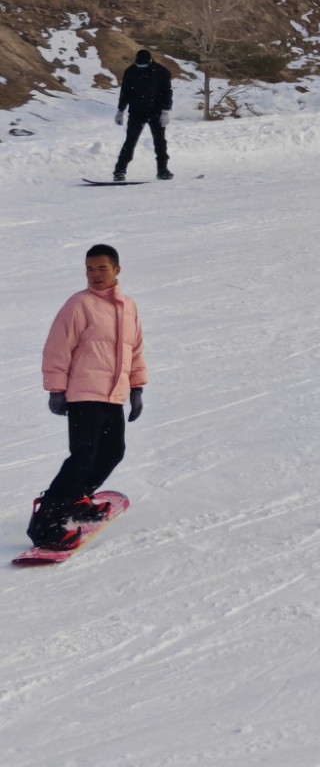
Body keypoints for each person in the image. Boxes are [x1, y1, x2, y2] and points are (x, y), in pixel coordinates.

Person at [27, 244, 146, 552]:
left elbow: (135, 351)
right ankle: (46, 521)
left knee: (112, 452)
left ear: (117, 270)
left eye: (101, 268)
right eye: (89, 269)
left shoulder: (129, 307)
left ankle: (77, 499)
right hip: (83, 393)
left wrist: (136, 389)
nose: (94, 274)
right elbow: (58, 346)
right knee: (82, 457)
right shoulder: (79, 304)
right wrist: (56, 389)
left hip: (113, 395)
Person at [113, 48, 174, 182]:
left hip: (156, 112)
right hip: (136, 111)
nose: (141, 67)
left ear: (150, 62)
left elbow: (167, 92)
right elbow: (125, 92)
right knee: (130, 141)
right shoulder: (130, 72)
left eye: (143, 65)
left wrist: (165, 111)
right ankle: (119, 171)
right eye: (139, 65)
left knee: (160, 142)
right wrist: (120, 110)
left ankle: (163, 170)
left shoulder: (161, 72)